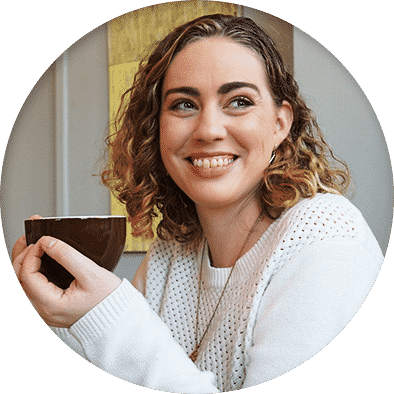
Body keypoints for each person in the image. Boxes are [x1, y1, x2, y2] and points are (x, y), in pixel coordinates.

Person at [12, 14, 383, 393]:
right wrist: (57, 314)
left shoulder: (328, 239)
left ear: (280, 123)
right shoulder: (172, 254)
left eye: (239, 101)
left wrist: (108, 315)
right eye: (184, 104)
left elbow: (127, 345)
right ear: (156, 127)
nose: (208, 130)